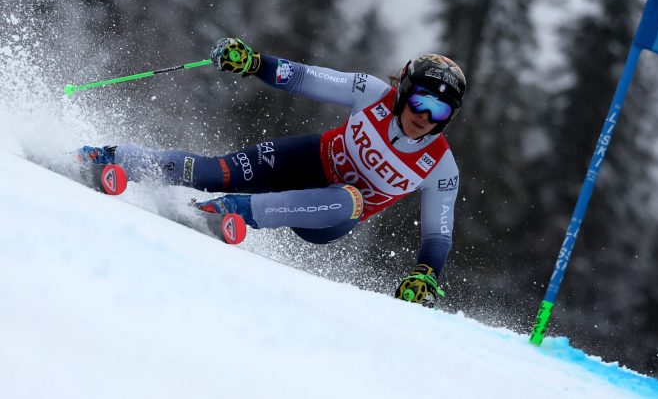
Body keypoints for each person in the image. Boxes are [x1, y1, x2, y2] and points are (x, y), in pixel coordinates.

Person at [78, 37, 465, 307]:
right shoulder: (371, 92)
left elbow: (438, 234)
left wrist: (424, 274)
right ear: (404, 91)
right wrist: (254, 63)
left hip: (327, 216)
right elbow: (304, 77)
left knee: (352, 198)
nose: (425, 117)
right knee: (214, 171)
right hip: (306, 158)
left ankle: (239, 211)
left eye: (441, 111)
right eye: (420, 101)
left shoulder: (441, 166)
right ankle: (113, 157)